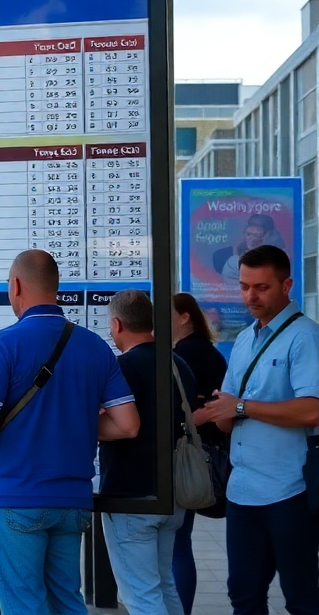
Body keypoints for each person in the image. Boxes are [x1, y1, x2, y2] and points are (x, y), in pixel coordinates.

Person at [0, 249, 139, 615]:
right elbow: (127, 424)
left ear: (15, 286)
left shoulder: (4, 343)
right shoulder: (95, 346)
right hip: (73, 500)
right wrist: (73, 422)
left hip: (16, 496)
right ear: (56, 288)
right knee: (67, 601)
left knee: (23, 604)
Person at [200, 244, 319, 614]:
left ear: (287, 285)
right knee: (243, 594)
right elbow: (226, 414)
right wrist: (219, 412)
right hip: (243, 490)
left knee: (301, 597)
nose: (250, 295)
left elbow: (312, 410)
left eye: (261, 287)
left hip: (290, 490)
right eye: (244, 286)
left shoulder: (305, 336)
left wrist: (240, 406)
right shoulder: (245, 339)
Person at [100, 289, 197, 615]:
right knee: (163, 584)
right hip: (171, 495)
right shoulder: (177, 364)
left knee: (140, 595)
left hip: (131, 496)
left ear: (117, 324)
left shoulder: (122, 368)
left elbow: (119, 423)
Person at [171, 292, 231, 615]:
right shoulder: (208, 352)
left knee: (177, 544)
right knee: (182, 541)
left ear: (184, 317)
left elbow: (192, 411)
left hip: (190, 457)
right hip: (207, 453)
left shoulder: (186, 354)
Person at [219, 214, 284, 287]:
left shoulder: (278, 258)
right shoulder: (223, 255)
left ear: (269, 236)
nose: (252, 239)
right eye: (249, 234)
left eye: (257, 235)